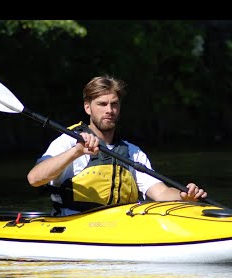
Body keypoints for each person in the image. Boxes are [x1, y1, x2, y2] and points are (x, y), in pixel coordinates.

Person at [27, 75, 208, 215]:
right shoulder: (68, 141)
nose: (109, 110)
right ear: (87, 107)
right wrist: (76, 152)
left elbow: (160, 193)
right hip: (75, 226)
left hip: (119, 227)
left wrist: (184, 197)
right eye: (102, 104)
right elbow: (35, 179)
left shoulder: (132, 152)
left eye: (114, 104)